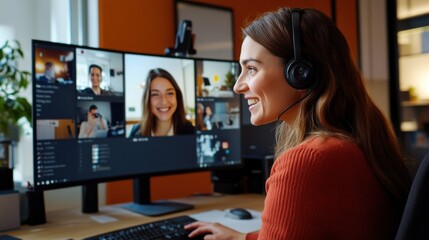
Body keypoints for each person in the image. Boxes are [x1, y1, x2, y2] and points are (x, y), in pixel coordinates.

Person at [185, 7, 411, 239]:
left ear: (300, 73)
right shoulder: (357, 142)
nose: (238, 86)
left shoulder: (307, 161)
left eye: (251, 69)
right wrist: (242, 237)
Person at [129, 68, 194, 137]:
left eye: (169, 93)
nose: (164, 102)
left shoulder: (191, 131)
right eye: (155, 94)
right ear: (147, 99)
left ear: (177, 97)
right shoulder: (136, 132)